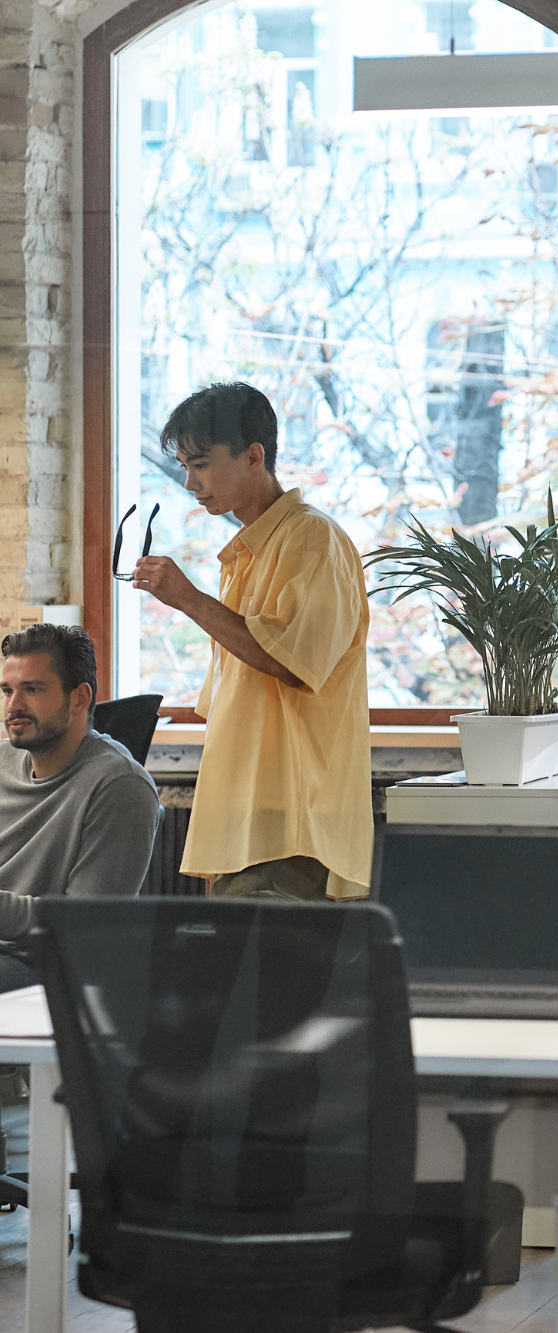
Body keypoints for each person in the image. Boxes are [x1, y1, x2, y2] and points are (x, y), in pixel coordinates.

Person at [132, 382, 372, 901]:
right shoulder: (245, 551)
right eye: (183, 466)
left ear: (253, 456)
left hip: (290, 815)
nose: (190, 482)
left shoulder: (313, 539)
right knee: (231, 977)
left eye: (200, 463)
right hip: (247, 814)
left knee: (265, 977)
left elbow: (292, 662)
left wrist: (189, 600)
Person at [0, 624, 159, 991]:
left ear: (79, 698)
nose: (13, 706)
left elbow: (86, 925)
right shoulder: (4, 760)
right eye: (8, 690)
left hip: (45, 967)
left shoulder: (120, 786)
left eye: (32, 689)